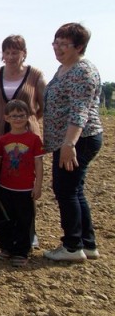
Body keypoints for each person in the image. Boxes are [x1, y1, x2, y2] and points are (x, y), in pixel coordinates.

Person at [43, 23, 103, 262]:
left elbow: (80, 112)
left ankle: (72, 245)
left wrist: (69, 144)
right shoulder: (65, 68)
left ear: (79, 47)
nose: (57, 48)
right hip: (66, 141)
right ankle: (86, 243)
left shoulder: (81, 71)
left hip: (78, 140)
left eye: (64, 44)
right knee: (74, 191)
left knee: (66, 190)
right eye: (55, 43)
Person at [0, 36, 46, 245]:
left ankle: (28, 232)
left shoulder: (35, 75)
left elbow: (44, 105)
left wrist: (27, 123)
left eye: (15, 52)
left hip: (26, 139)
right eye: (6, 52)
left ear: (24, 53)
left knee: (24, 181)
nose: (10, 57)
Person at [0, 100, 44, 267]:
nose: (18, 119)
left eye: (21, 115)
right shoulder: (2, 140)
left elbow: (38, 163)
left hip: (26, 189)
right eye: (14, 116)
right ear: (6, 118)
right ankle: (6, 247)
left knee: (24, 220)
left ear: (28, 117)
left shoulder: (34, 140)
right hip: (5, 187)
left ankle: (21, 251)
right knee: (5, 218)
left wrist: (38, 185)